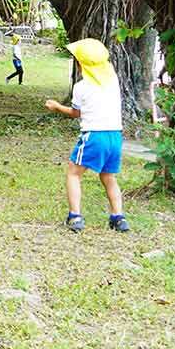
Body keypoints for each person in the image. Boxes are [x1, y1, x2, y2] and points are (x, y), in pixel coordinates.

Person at [46, 38, 128, 232]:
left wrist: (57, 107)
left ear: (81, 64)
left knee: (73, 173)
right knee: (109, 177)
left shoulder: (81, 87)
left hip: (94, 136)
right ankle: (118, 217)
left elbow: (76, 113)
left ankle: (75, 216)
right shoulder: (113, 81)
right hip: (115, 136)